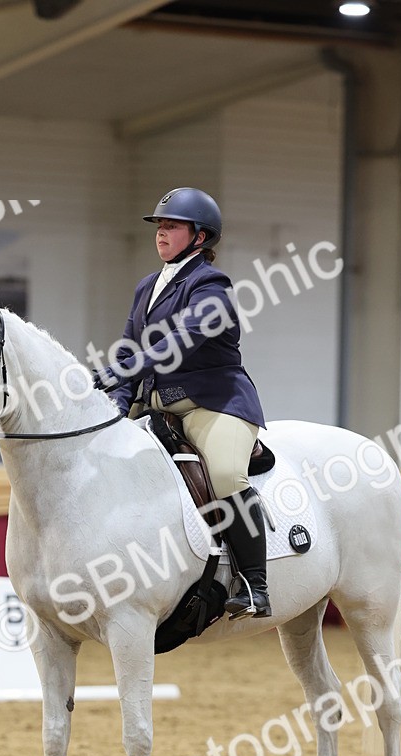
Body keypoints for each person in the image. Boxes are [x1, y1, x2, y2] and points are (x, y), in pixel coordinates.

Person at [92, 187, 271, 620]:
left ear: (199, 236)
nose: (161, 233)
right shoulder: (147, 287)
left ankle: (255, 584)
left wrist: (122, 370)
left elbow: (180, 341)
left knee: (226, 474)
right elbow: (128, 349)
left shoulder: (211, 285)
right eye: (159, 225)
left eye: (172, 226)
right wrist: (117, 401)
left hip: (214, 404)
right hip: (156, 407)